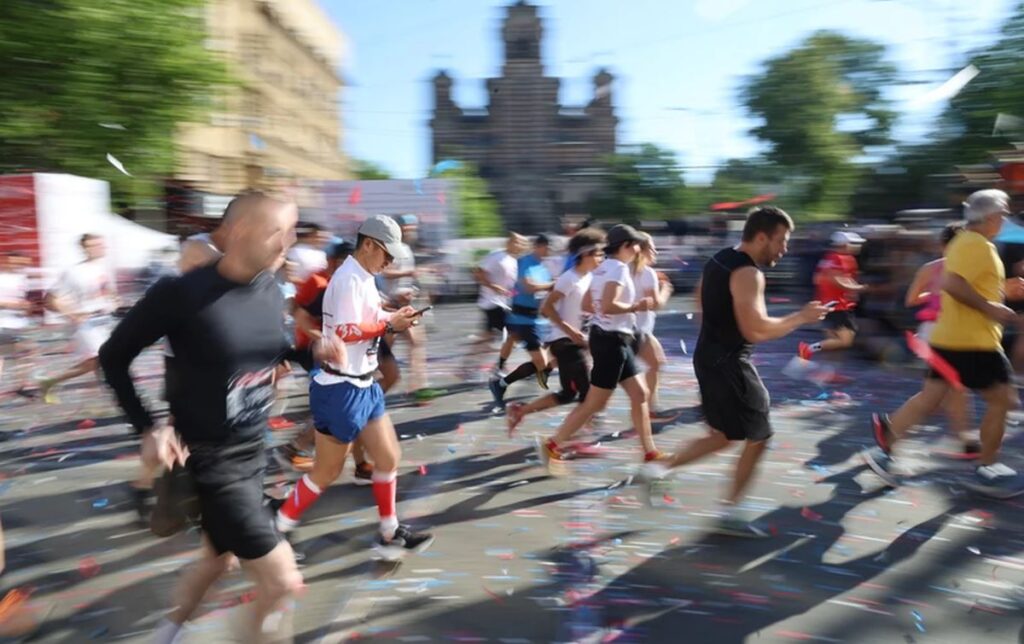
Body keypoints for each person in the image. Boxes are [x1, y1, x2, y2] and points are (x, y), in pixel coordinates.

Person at [99, 193, 327, 642]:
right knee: (281, 582)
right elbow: (113, 357)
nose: (290, 242)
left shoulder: (267, 286)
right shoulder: (180, 294)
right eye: (279, 231)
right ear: (240, 232)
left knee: (217, 561)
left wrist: (311, 350)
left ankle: (163, 636)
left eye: (293, 229)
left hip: (252, 454)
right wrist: (147, 426)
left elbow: (271, 347)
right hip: (210, 463)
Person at [642, 207, 828, 537]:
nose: (784, 249)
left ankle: (660, 468)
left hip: (709, 356)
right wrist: (801, 317)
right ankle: (731, 511)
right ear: (761, 236)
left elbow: (700, 295)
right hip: (729, 363)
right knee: (759, 435)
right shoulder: (748, 273)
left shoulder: (720, 258)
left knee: (724, 435)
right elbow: (756, 331)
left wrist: (715, 331)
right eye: (781, 241)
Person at [275, 215, 434, 560]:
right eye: (386, 254)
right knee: (326, 471)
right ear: (368, 245)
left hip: (364, 384)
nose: (390, 261)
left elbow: (367, 322)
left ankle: (389, 532)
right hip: (340, 389)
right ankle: (279, 526)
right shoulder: (348, 279)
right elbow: (347, 331)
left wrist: (395, 314)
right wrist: (390, 322)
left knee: (389, 457)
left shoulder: (364, 276)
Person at [863, 190, 1024, 498]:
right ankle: (986, 468)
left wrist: (1004, 291)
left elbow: (967, 284)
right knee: (1003, 400)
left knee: (931, 398)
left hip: (952, 337)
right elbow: (953, 284)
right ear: (991, 217)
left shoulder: (969, 242)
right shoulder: (975, 244)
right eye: (1003, 213)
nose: (1005, 219)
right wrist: (992, 308)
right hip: (972, 342)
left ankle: (888, 431)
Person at [536, 224, 663, 470]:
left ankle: (650, 453)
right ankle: (552, 444)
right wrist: (637, 306)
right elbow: (608, 305)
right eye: (636, 244)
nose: (638, 249)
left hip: (613, 337)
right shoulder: (619, 270)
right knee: (594, 403)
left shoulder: (602, 268)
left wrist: (609, 313)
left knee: (640, 394)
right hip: (611, 341)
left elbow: (586, 304)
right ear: (626, 246)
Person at [275, 240, 373, 484]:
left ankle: (360, 465)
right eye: (345, 261)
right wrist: (322, 339)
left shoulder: (340, 282)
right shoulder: (322, 284)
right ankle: (296, 447)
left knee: (356, 405)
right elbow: (297, 311)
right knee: (342, 406)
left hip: (336, 352)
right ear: (333, 261)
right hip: (316, 352)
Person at [506, 228, 606, 433]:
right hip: (565, 342)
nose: (601, 258)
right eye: (598, 253)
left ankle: (520, 411)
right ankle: (570, 439)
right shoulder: (568, 279)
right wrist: (571, 331)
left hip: (575, 342)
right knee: (588, 396)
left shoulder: (588, 277)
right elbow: (546, 308)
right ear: (584, 254)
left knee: (569, 394)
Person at [902, 222, 977, 456]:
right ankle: (890, 432)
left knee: (952, 390)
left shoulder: (930, 268)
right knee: (946, 392)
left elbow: (911, 300)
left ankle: (966, 441)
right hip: (943, 333)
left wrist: (932, 294)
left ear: (942, 244)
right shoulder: (971, 269)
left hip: (935, 331)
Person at [38, 234, 118, 404]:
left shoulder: (104, 268)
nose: (99, 247)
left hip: (104, 320)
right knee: (97, 360)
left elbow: (108, 292)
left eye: (100, 244)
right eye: (93, 245)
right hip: (87, 324)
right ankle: (50, 382)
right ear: (85, 249)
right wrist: (72, 314)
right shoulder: (74, 271)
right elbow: (50, 300)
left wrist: (115, 300)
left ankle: (115, 398)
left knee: (102, 362)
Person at [488, 234, 556, 411]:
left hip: (535, 318)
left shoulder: (542, 266)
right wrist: (550, 285)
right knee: (541, 362)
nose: (549, 251)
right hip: (523, 318)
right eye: (547, 247)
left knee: (540, 356)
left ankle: (504, 377)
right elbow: (528, 286)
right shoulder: (526, 261)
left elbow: (542, 292)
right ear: (539, 246)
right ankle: (501, 383)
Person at [381, 215, 433, 399]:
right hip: (390, 306)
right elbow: (384, 272)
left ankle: (416, 387)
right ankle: (369, 386)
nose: (411, 230)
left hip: (405, 304)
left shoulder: (406, 248)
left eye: (413, 227)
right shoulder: (390, 247)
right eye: (408, 227)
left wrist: (413, 289)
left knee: (417, 343)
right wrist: (410, 273)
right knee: (383, 350)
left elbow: (403, 278)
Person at [464, 233, 527, 377]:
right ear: (509, 242)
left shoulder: (514, 260)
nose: (521, 246)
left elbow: (510, 286)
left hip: (503, 303)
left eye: (523, 244)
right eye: (518, 242)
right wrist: (494, 287)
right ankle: (499, 367)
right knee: (514, 334)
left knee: (487, 337)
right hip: (492, 303)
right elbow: (478, 273)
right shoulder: (496, 256)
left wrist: (515, 295)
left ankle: (467, 368)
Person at [798, 231, 867, 360]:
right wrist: (858, 288)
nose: (858, 246)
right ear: (845, 244)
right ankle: (809, 348)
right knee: (845, 340)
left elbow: (818, 279)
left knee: (834, 341)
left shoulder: (837, 258)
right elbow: (836, 280)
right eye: (855, 243)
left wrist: (853, 290)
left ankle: (830, 372)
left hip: (834, 304)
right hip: (836, 305)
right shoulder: (836, 258)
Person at [630, 233, 674, 418]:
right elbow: (655, 303)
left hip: (637, 328)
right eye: (652, 247)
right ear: (643, 250)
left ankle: (649, 408)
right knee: (611, 380)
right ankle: (647, 408)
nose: (655, 251)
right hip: (636, 330)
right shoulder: (646, 273)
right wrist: (666, 289)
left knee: (657, 363)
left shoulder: (626, 269)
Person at [0, 252, 33, 398]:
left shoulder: (22, 278)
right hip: (2, 322)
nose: (19, 265)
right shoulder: (2, 278)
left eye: (21, 263)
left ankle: (22, 385)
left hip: (17, 323)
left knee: (23, 354)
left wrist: (26, 307)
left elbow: (21, 299)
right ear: (7, 262)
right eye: (15, 262)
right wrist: (11, 305)